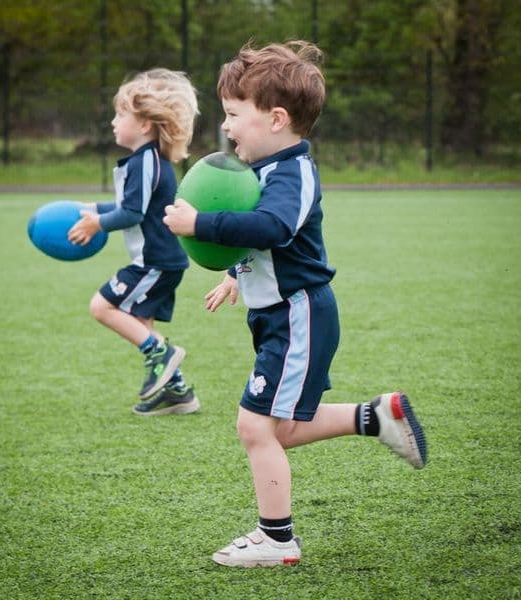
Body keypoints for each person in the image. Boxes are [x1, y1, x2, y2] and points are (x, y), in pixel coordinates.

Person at [163, 41, 427, 567]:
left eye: (235, 115)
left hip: (298, 314)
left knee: (254, 427)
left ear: (277, 118)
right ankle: (375, 417)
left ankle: (276, 539)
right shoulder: (261, 172)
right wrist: (238, 275)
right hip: (278, 314)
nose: (227, 126)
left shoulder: (292, 173)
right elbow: (264, 246)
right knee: (279, 427)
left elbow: (275, 227)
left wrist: (200, 225)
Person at [68, 68, 200, 416]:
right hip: (163, 260)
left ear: (144, 125)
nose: (113, 122)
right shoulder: (147, 161)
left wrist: (98, 223)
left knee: (102, 306)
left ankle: (164, 354)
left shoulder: (146, 161)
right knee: (141, 326)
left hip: (154, 261)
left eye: (120, 114)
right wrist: (97, 208)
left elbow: (132, 214)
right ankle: (178, 392)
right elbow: (133, 205)